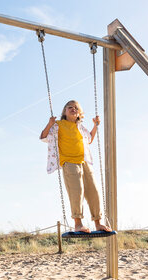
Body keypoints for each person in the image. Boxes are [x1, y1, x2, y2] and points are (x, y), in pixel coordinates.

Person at [40, 100, 111, 233]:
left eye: (76, 108)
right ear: (64, 112)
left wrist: (95, 126)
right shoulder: (58, 125)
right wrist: (50, 124)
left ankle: (98, 223)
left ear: (79, 113)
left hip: (84, 162)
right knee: (76, 191)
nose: (73, 109)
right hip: (69, 162)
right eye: (70, 107)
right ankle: (78, 224)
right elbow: (44, 137)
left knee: (93, 191)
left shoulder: (80, 127)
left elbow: (89, 139)